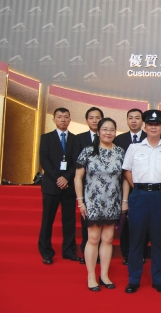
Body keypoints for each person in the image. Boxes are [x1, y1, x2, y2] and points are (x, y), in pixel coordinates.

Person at [122, 110, 161, 294]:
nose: (153, 127)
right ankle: (134, 279)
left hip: (160, 196)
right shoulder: (134, 148)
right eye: (150, 124)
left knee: (159, 240)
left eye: (157, 124)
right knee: (136, 239)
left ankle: (158, 279)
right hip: (140, 196)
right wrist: (137, 187)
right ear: (144, 127)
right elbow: (127, 170)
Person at [74, 118, 124, 291]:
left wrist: (123, 200)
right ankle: (91, 276)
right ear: (98, 131)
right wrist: (80, 202)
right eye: (104, 129)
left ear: (115, 132)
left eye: (111, 129)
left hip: (113, 201)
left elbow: (124, 178)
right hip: (93, 201)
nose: (108, 133)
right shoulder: (88, 151)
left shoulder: (120, 152)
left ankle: (104, 274)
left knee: (108, 239)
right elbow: (78, 177)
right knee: (93, 238)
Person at [38, 107, 80, 264]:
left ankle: (69, 251)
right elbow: (44, 161)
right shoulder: (46, 138)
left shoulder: (75, 140)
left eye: (66, 117)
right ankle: (46, 253)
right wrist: (58, 178)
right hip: (51, 185)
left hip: (68, 185)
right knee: (47, 219)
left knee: (69, 221)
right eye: (60, 117)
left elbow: (77, 161)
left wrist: (66, 178)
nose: (63, 119)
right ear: (54, 119)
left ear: (70, 120)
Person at [113, 108, 149, 266]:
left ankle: (141, 252)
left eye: (137, 118)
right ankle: (127, 254)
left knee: (144, 223)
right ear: (127, 120)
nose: (134, 121)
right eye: (130, 118)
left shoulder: (150, 139)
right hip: (125, 187)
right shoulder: (119, 140)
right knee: (126, 223)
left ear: (142, 121)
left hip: (146, 187)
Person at [74, 107, 104, 265]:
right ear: (86, 120)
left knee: (104, 228)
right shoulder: (79, 139)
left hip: (106, 192)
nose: (94, 120)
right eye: (91, 118)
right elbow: (77, 165)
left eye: (97, 118)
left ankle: (100, 254)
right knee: (88, 223)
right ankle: (87, 254)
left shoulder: (109, 140)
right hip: (87, 189)